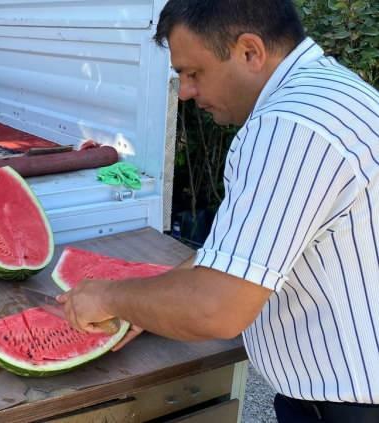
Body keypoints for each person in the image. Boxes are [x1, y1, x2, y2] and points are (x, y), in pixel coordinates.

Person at [58, 1, 379, 421]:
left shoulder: (289, 126)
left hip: (347, 407)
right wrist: (144, 305)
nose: (186, 92)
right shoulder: (331, 91)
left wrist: (108, 295)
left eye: (194, 73)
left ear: (250, 51)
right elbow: (242, 248)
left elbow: (218, 308)